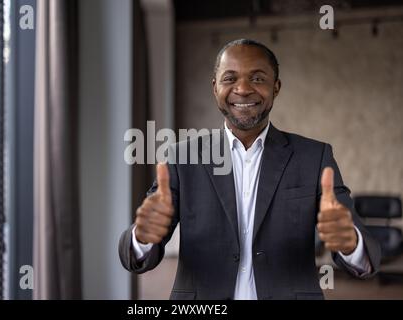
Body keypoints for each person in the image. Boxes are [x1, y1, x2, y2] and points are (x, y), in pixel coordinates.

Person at [119, 39, 381, 300]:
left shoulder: (314, 157)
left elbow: (366, 257)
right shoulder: (181, 157)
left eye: (257, 78)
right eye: (229, 78)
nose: (242, 89)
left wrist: (351, 243)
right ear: (215, 88)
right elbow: (137, 259)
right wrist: (142, 238)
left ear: (276, 87)